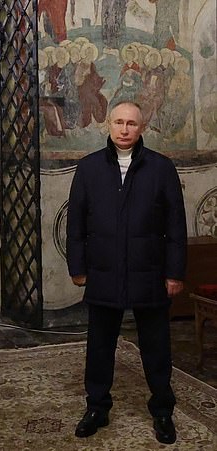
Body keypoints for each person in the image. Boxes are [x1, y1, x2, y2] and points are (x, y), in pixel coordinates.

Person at [67, 101, 186, 445]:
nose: (124, 129)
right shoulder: (89, 169)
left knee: (157, 347)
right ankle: (97, 408)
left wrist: (174, 273)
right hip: (103, 273)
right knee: (100, 346)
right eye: (118, 122)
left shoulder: (161, 168)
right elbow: (76, 223)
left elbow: (176, 226)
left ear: (141, 127)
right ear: (107, 124)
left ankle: (162, 411)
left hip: (150, 273)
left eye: (131, 123)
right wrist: (78, 268)